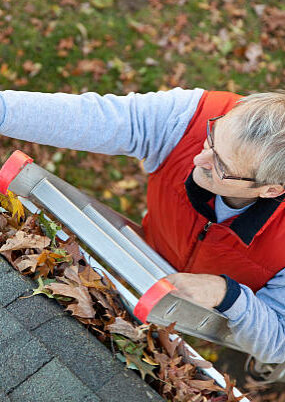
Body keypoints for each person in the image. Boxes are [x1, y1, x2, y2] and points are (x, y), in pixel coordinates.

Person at [0, 87, 285, 364]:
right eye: (211, 138)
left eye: (221, 166)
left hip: (214, 310)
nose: (199, 159)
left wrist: (226, 295)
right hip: (151, 255)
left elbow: (279, 342)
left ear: (271, 190)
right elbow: (96, 117)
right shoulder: (196, 116)